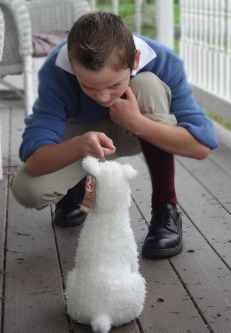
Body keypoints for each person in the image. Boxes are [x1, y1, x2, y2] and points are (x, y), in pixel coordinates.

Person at [11, 11, 219, 259]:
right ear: (71, 62)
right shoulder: (56, 69)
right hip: (82, 137)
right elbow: (34, 160)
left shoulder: (163, 60)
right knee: (27, 189)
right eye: (88, 86)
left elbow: (201, 146)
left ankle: (166, 207)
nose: (102, 98)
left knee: (148, 85)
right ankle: (75, 189)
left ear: (135, 59)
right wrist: (78, 146)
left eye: (114, 85)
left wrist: (137, 122)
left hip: (131, 128)